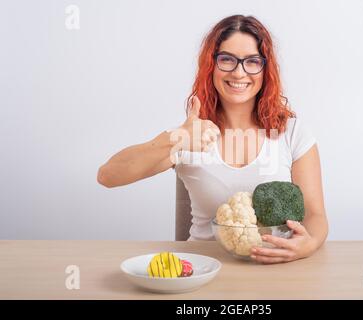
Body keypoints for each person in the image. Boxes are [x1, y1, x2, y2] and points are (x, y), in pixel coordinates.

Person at [97, 15, 328, 264]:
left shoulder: (292, 133)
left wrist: (309, 243)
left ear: (265, 69)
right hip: (201, 269)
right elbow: (108, 176)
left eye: (252, 61)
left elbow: (315, 214)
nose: (239, 72)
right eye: (227, 59)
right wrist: (176, 139)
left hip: (274, 270)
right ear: (211, 65)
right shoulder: (192, 134)